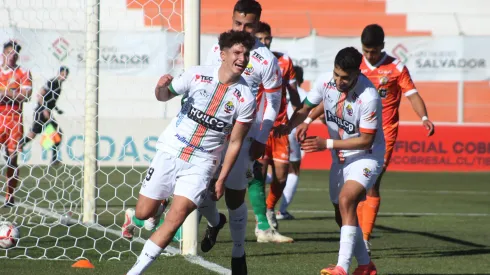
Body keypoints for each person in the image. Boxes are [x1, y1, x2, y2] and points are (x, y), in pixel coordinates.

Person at [125, 30, 256, 275]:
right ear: (223, 53)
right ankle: (212, 221)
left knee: (176, 219)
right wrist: (160, 88)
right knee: (144, 213)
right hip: (171, 149)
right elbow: (164, 96)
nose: (242, 58)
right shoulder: (197, 74)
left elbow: (235, 142)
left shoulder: (246, 97)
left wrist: (222, 177)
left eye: (246, 54)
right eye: (237, 52)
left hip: (203, 161)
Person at [200, 1, 294, 270]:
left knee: (233, 197)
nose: (242, 29)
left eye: (248, 25)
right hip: (213, 132)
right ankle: (214, 222)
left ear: (258, 24)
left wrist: (262, 138)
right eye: (237, 24)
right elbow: (207, 84)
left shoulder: (266, 59)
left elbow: (273, 102)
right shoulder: (217, 48)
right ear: (232, 20)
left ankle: (239, 253)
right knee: (200, 191)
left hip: (244, 136)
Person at [275, 47, 381, 275]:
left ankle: (342, 268)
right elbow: (308, 106)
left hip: (366, 156)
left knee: (346, 201)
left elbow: (366, 140)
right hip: (340, 158)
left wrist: (326, 144)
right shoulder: (327, 81)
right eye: (336, 75)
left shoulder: (369, 96)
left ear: (357, 73)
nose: (339, 81)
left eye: (345, 78)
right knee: (340, 212)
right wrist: (296, 124)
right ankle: (366, 266)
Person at [356, 24, 435, 254]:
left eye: (373, 50)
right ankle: (356, 234)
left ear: (382, 46)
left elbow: (412, 95)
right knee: (356, 184)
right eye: (366, 50)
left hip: (384, 135)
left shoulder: (396, 67)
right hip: (357, 132)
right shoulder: (356, 64)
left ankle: (364, 238)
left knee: (371, 182)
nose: (369, 55)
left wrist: (424, 117)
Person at [253, 21, 302, 229]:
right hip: (261, 127)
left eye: (267, 38)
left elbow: (293, 93)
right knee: (260, 175)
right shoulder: (250, 60)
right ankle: (261, 219)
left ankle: (270, 207)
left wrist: (298, 119)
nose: (265, 42)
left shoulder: (284, 61)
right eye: (261, 38)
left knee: (282, 176)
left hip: (280, 126)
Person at [0, 40, 32, 207]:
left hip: (14, 119)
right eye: (9, 53)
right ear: (3, 54)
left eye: (15, 54)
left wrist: (4, 93)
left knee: (12, 159)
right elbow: (18, 94)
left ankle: (9, 196)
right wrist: (12, 92)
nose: (12, 56)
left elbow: (26, 96)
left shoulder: (23, 72)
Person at [19, 66, 69, 166]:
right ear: (59, 73)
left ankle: (54, 159)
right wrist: (45, 109)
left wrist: (57, 110)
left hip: (46, 112)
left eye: (66, 75)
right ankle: (17, 145)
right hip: (41, 112)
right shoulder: (53, 82)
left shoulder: (59, 85)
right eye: (63, 74)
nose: (64, 77)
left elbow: (51, 100)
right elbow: (40, 95)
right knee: (34, 134)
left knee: (55, 133)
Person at [276, 65, 307, 220]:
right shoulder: (302, 93)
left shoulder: (279, 89)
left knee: (273, 167)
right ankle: (282, 210)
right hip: (291, 132)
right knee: (293, 170)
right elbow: (307, 113)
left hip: (274, 129)